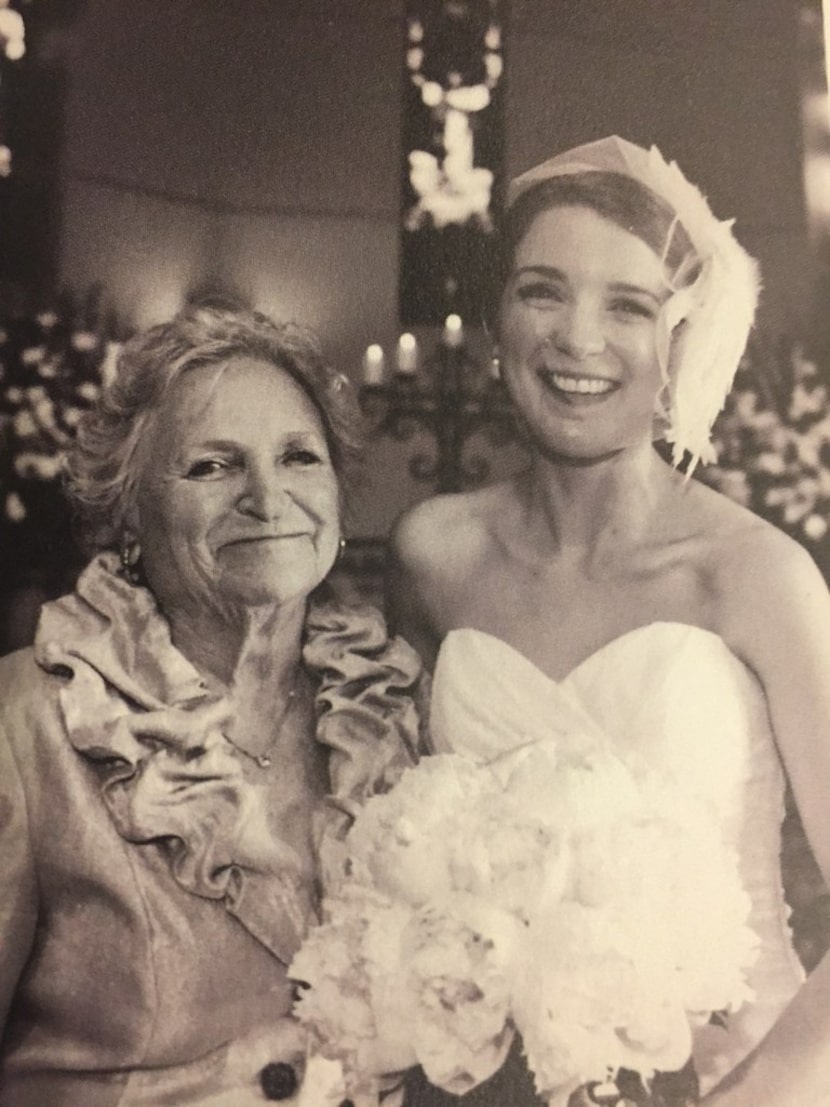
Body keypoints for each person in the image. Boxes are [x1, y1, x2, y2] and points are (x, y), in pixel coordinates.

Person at [389, 136, 830, 1106]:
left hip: (738, 1075)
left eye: (627, 306)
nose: (576, 339)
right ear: (498, 316)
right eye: (542, 290)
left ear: (681, 343)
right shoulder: (433, 555)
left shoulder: (756, 576)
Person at [0, 304, 424, 1106]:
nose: (268, 499)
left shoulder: (390, 708)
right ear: (128, 512)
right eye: (211, 466)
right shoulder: (27, 722)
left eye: (299, 457)